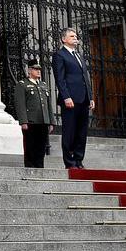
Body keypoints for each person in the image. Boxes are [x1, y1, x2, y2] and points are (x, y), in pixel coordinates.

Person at [52, 27, 95, 169]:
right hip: (70, 100)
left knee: (82, 132)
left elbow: (85, 78)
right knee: (69, 131)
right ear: (64, 39)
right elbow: (60, 78)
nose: (75, 38)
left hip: (83, 99)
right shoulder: (60, 55)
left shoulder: (79, 55)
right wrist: (66, 97)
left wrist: (90, 97)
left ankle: (78, 160)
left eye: (76, 36)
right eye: (72, 36)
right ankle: (69, 162)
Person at [14, 62, 55, 168]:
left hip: (43, 120)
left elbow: (48, 104)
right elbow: (20, 104)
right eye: (35, 69)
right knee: (30, 145)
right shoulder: (22, 84)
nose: (38, 71)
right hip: (31, 121)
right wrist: (23, 121)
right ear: (29, 70)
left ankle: (39, 166)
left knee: (41, 146)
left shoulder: (43, 85)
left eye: (39, 69)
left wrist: (51, 121)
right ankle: (30, 166)